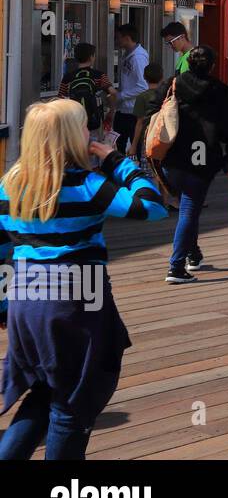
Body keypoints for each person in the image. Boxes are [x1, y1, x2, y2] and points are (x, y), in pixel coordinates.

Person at [0, 99, 166, 459]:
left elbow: (1, 250)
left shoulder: (9, 185)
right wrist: (116, 160)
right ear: (71, 137)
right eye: (84, 128)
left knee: (44, 391)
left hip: (25, 297)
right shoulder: (88, 185)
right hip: (80, 295)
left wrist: (4, 304)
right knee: (73, 403)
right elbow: (151, 207)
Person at [162, 46, 228, 284]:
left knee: (189, 208)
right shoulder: (220, 92)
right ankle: (176, 267)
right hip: (203, 157)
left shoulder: (172, 84)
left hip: (172, 158)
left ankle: (192, 254)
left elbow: (152, 112)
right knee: (189, 209)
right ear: (212, 66)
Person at [58, 42, 116, 138]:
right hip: (94, 121)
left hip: (74, 122)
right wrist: (111, 112)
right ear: (91, 57)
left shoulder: (68, 77)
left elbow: (60, 99)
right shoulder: (99, 75)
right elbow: (113, 93)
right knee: (94, 147)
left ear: (76, 58)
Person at [113, 24, 149, 154]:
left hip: (132, 110)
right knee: (118, 143)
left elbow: (142, 85)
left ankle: (133, 171)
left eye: (118, 38)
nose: (116, 41)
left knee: (134, 146)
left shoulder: (138, 57)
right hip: (124, 108)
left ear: (127, 38)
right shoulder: (128, 54)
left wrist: (121, 95)